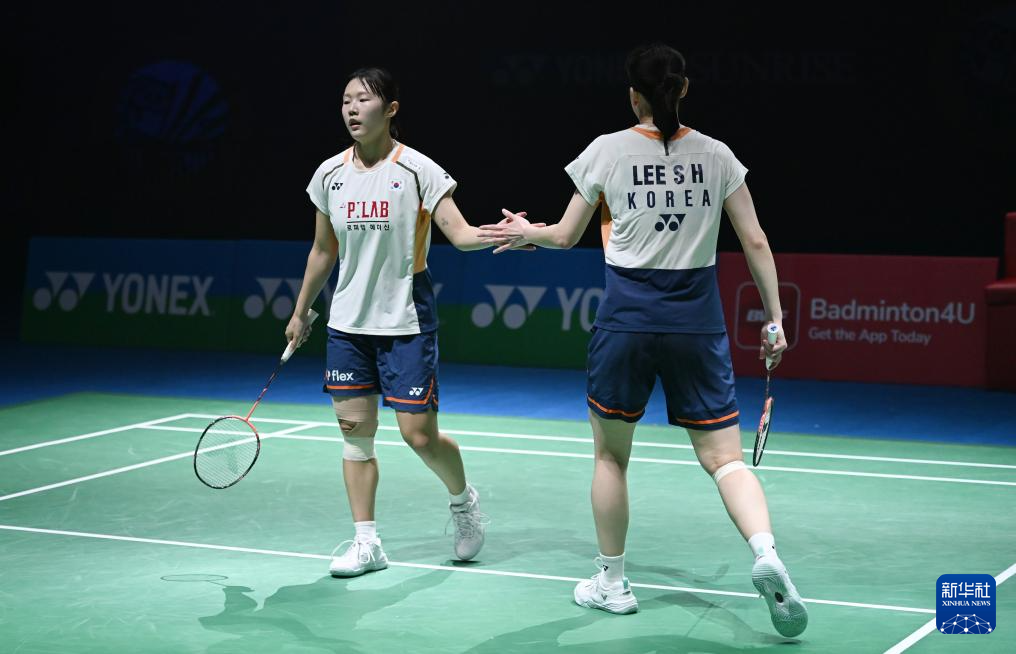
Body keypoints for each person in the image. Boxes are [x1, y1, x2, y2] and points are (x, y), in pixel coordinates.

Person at [479, 43, 808, 638]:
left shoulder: (607, 150)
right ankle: (765, 552)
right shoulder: (717, 155)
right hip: (696, 322)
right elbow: (756, 241)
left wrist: (526, 231)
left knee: (611, 457)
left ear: (634, 96)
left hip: (627, 319)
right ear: (684, 90)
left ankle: (612, 582)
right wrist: (775, 321)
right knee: (726, 461)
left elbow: (565, 235)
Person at [286, 66, 521, 578]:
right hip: (348, 324)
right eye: (345, 100)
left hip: (405, 320)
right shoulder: (329, 175)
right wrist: (302, 310)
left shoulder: (417, 170)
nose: (351, 109)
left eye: (363, 99)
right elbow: (323, 249)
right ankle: (366, 542)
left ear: (390, 109)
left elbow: (459, 234)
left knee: (418, 435)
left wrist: (511, 235)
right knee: (356, 437)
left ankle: (463, 501)